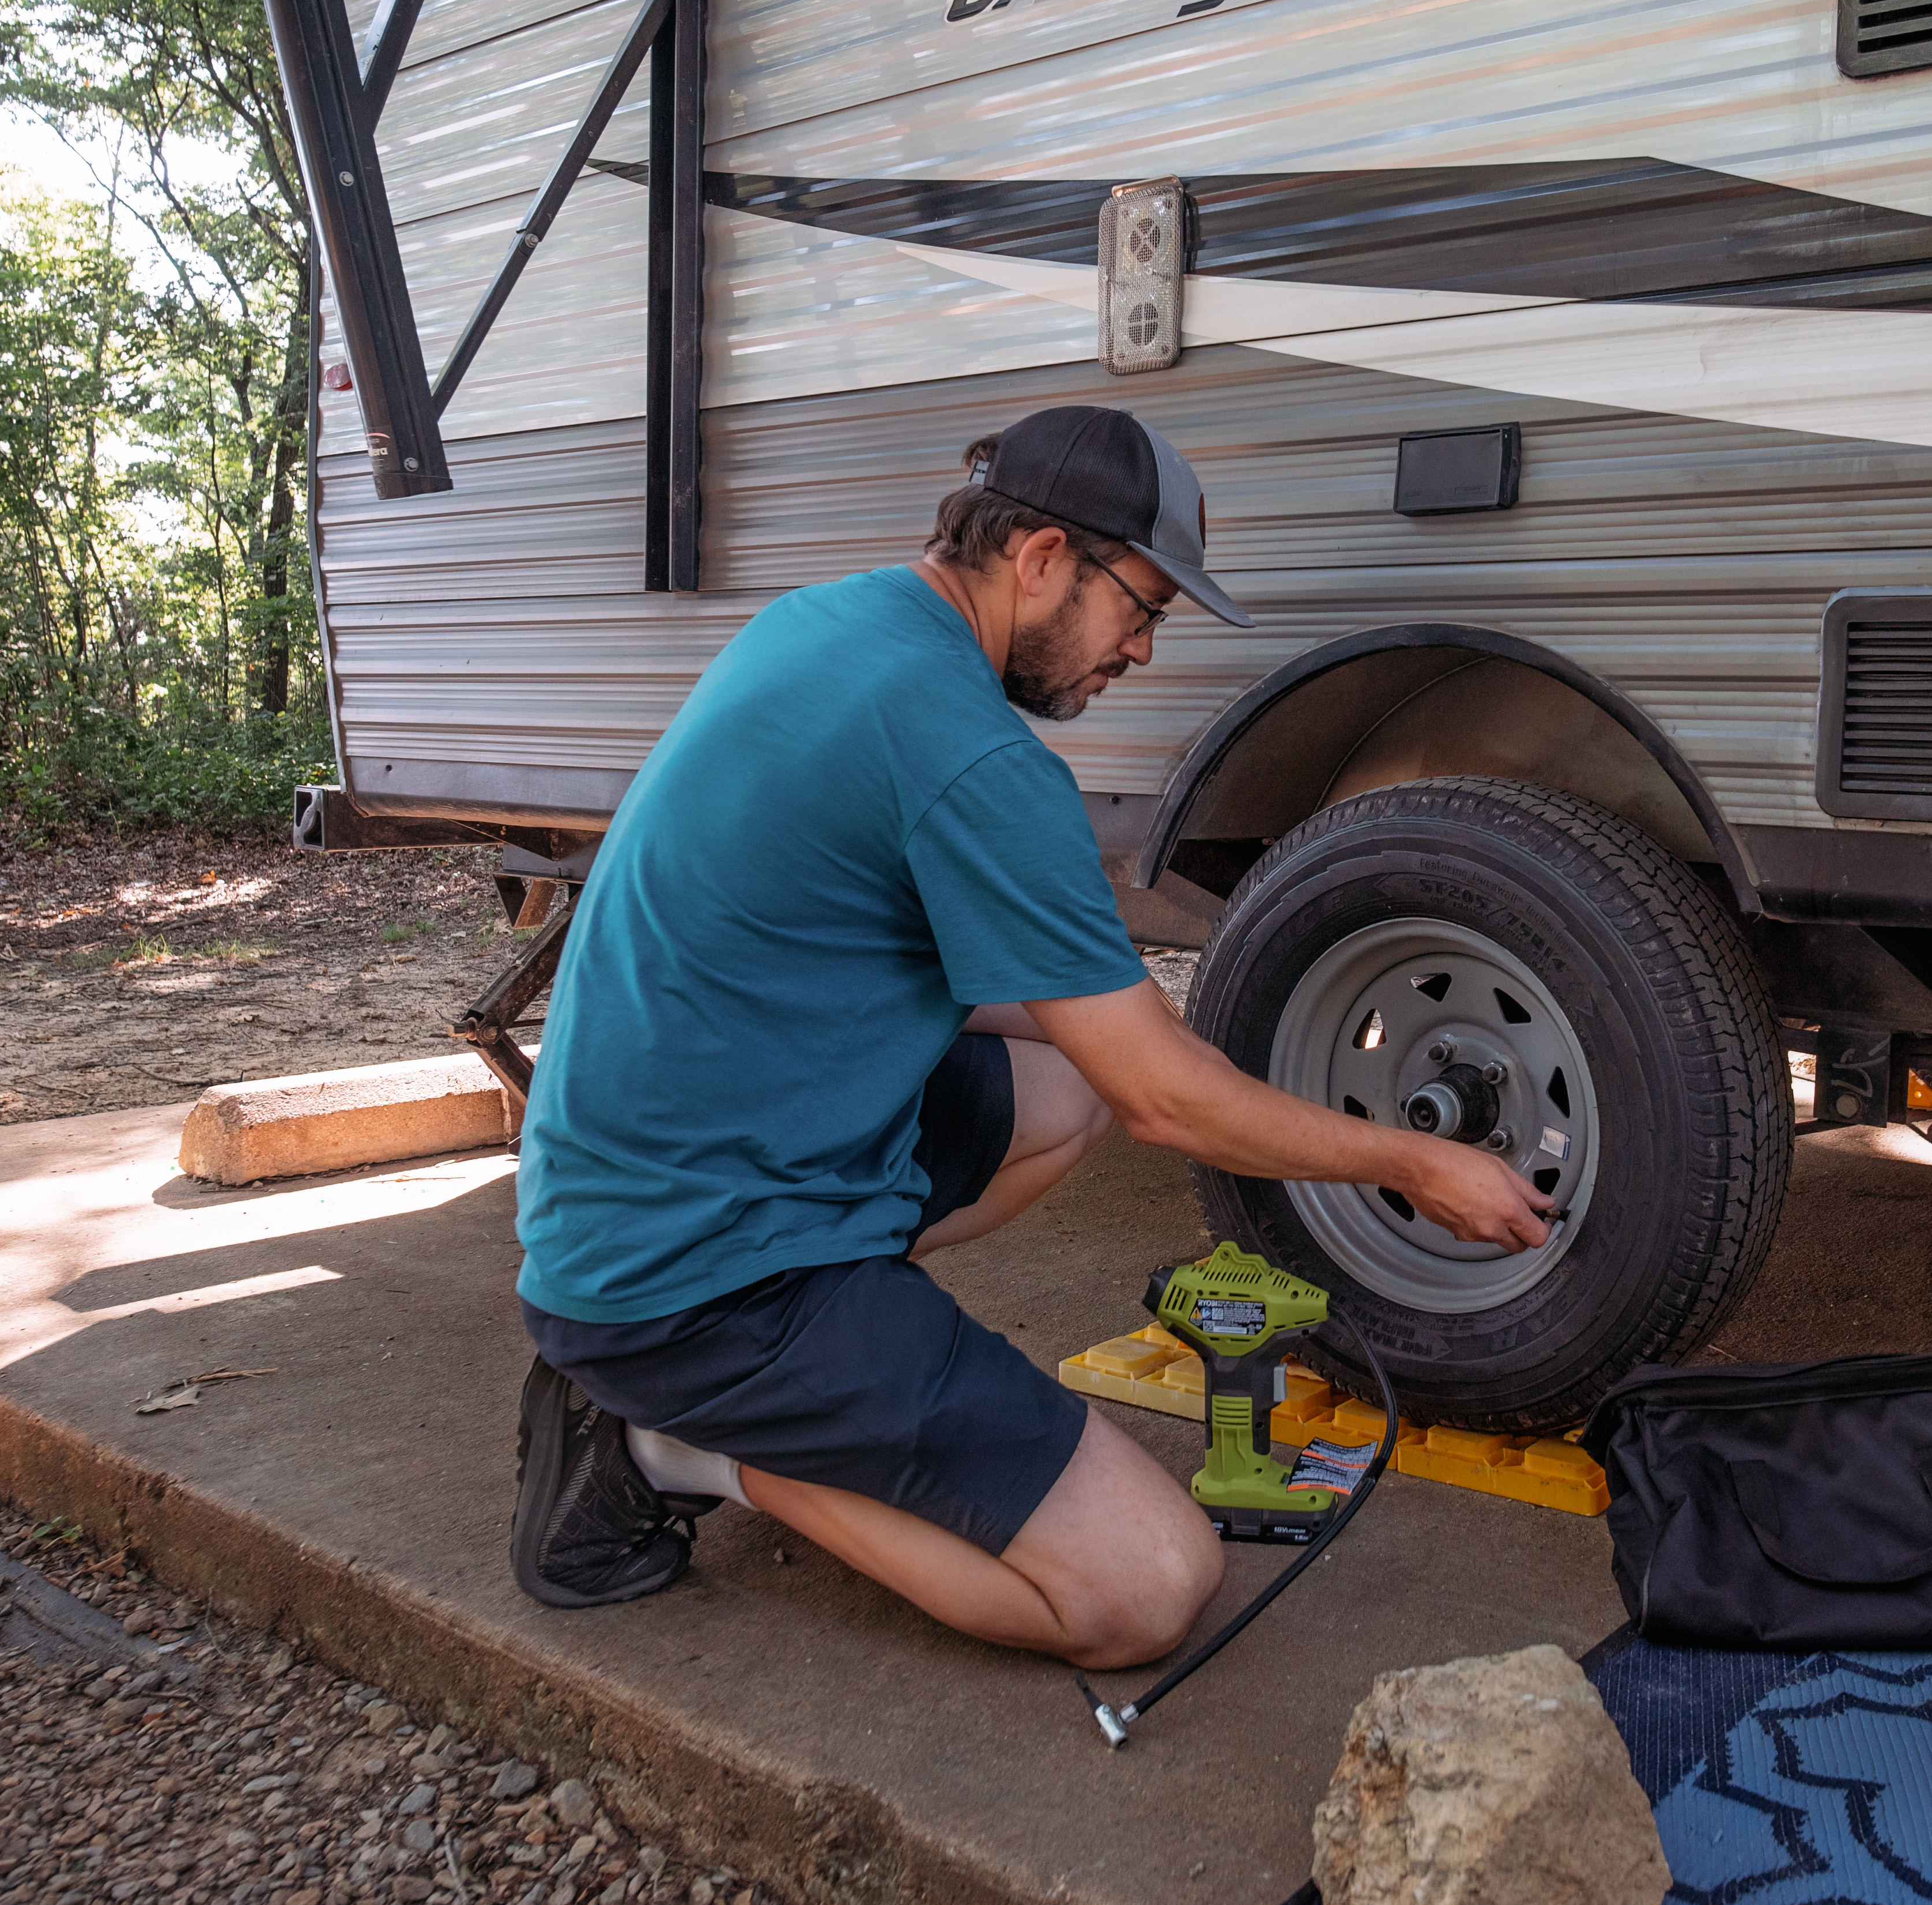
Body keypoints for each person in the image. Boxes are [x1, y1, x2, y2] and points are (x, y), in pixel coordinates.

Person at [506, 405, 1552, 1666]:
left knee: (1063, 1089)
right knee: (1146, 1589)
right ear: (1045, 555)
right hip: (695, 1283)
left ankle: (823, 1366)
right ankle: (672, 1440)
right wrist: (1411, 1161)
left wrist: (1146, 1037)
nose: (1144, 652)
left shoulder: (833, 625)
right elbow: (1166, 1104)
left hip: (629, 1197)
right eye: (1143, 605)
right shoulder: (974, 756)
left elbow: (1041, 1021)